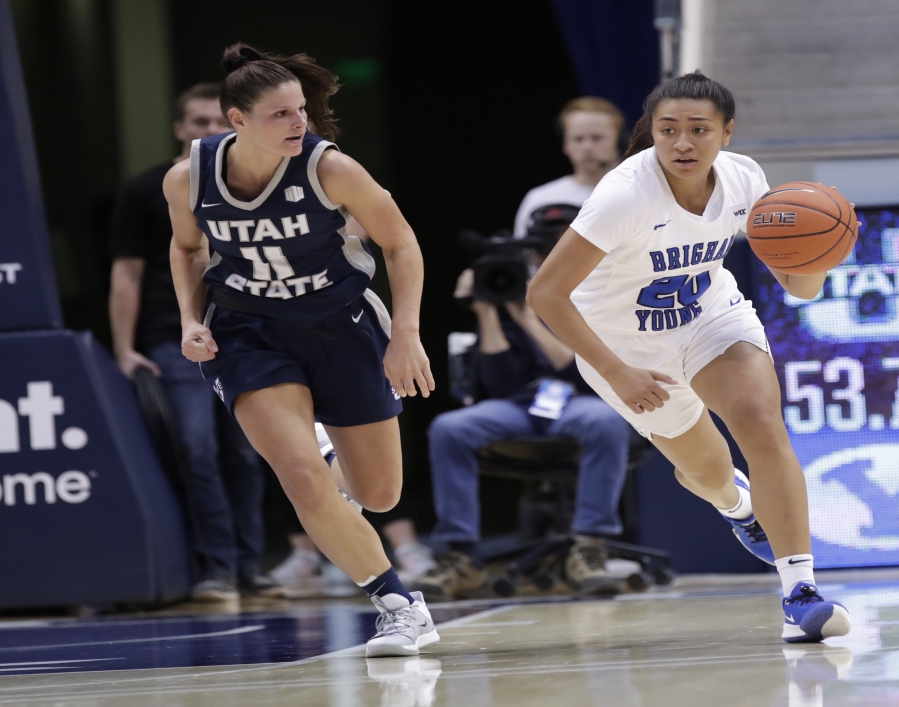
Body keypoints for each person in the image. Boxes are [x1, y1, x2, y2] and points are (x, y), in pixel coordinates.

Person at [527, 72, 852, 644]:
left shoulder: (745, 178)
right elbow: (545, 294)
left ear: (726, 133)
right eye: (668, 129)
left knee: (760, 424)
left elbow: (800, 290)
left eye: (698, 130)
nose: (682, 143)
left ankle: (800, 592)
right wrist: (616, 372)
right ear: (650, 133)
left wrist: (821, 249)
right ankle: (735, 506)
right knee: (706, 472)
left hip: (710, 318)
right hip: (624, 347)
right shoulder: (625, 194)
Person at [164, 43, 438, 657]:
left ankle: (326, 454)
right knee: (300, 477)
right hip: (248, 331)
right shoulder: (189, 178)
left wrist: (406, 334)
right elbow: (186, 250)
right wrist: (188, 320)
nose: (300, 124)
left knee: (378, 496)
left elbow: (401, 243)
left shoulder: (331, 168)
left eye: (301, 111)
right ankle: (397, 605)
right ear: (237, 121)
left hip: (340, 325)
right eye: (281, 115)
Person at [109, 83, 276, 602]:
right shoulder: (146, 190)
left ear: (234, 124)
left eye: (216, 122)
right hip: (173, 336)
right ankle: (216, 570)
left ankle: (250, 567)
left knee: (247, 455)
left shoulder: (251, 184)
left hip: (242, 332)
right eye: (197, 123)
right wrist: (123, 348)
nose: (208, 131)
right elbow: (127, 274)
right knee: (198, 452)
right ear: (180, 129)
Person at [419, 204, 635, 599]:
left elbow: (576, 372)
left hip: (579, 401)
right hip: (517, 405)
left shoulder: (600, 288)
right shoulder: (507, 284)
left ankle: (589, 546)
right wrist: (486, 310)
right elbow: (499, 383)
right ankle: (460, 555)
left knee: (606, 421)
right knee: (450, 428)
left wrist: (529, 317)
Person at [512, 97, 624, 238]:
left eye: (597, 138)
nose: (587, 147)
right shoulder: (540, 199)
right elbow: (525, 256)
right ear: (565, 145)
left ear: (619, 141)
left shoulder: (642, 191)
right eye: (578, 139)